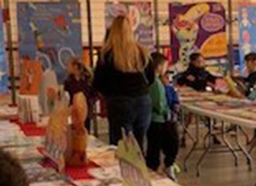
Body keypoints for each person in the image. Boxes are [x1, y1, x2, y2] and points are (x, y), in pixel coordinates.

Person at [93, 15, 154, 145]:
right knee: (139, 143)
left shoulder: (107, 54)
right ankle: (140, 164)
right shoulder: (142, 52)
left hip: (119, 101)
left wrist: (106, 94)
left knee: (122, 146)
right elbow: (151, 78)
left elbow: (98, 82)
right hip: (142, 100)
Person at [146, 52, 180, 175]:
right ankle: (156, 168)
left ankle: (158, 167)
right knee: (161, 146)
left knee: (156, 146)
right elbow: (159, 102)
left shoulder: (152, 81)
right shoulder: (155, 83)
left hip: (157, 119)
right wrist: (167, 112)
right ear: (160, 66)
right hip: (159, 120)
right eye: (165, 66)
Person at [64, 58, 96, 131]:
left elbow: (94, 94)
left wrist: (90, 102)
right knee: (74, 131)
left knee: (85, 130)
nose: (67, 68)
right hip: (73, 110)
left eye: (69, 66)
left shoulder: (88, 80)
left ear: (75, 66)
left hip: (86, 109)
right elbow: (66, 95)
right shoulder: (68, 82)